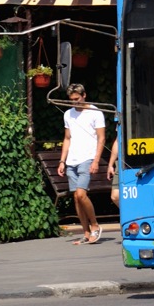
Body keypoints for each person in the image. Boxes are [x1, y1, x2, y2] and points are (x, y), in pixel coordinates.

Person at [58, 83, 106, 244]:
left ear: (84, 95)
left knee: (81, 194)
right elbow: (67, 138)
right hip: (72, 160)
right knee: (76, 198)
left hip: (87, 158)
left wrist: (96, 161)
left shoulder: (95, 112)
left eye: (77, 99)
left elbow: (101, 138)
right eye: (71, 100)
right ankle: (85, 232)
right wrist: (62, 161)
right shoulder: (68, 114)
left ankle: (95, 226)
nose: (74, 103)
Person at [107, 136, 120, 207]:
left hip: (143, 162)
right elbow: (118, 141)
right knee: (115, 196)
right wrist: (110, 165)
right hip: (123, 164)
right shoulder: (120, 125)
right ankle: (132, 214)